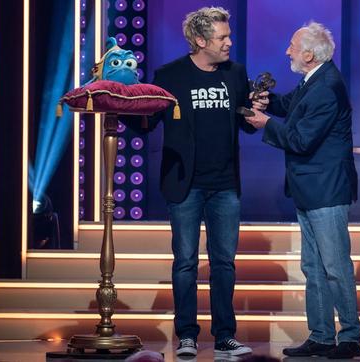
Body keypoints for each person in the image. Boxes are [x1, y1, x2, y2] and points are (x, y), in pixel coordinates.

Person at [124, 6, 257, 357]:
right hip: (185, 184)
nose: (230, 42)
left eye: (229, 35)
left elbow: (244, 122)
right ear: (200, 40)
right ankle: (187, 335)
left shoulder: (236, 74)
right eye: (222, 37)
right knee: (185, 262)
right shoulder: (169, 76)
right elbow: (148, 123)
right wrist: (119, 105)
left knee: (224, 262)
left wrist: (256, 109)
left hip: (225, 184)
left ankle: (225, 334)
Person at [244, 21, 360, 359]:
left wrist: (266, 124)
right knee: (313, 267)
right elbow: (291, 106)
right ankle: (322, 336)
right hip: (310, 189)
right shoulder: (314, 80)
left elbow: (301, 139)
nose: (287, 52)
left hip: (325, 190)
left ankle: (350, 337)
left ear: (309, 54)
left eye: (293, 46)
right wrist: (269, 103)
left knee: (335, 266)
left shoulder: (327, 87)